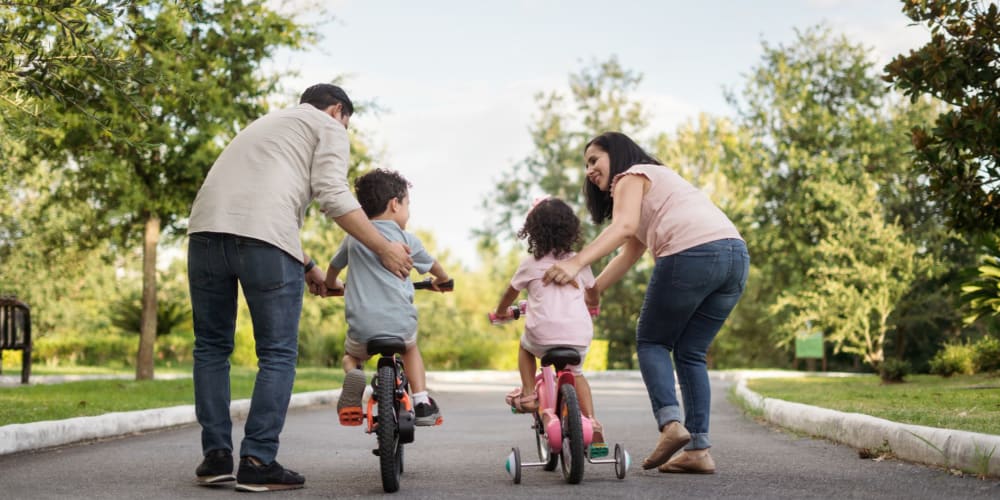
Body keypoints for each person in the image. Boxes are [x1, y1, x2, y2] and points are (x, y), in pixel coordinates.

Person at [187, 84, 413, 492]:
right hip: (264, 242)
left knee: (211, 346)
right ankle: (257, 459)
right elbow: (331, 192)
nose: (344, 127)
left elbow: (258, 204)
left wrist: (307, 264)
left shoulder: (266, 124)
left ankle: (216, 457)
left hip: (204, 234)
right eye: (346, 120)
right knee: (276, 352)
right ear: (337, 110)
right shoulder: (329, 126)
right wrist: (383, 248)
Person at [542, 131, 749, 475]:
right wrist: (594, 289)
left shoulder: (631, 174)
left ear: (618, 153)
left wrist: (575, 264)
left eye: (594, 160)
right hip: (735, 257)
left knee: (652, 340)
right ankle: (698, 450)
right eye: (586, 165)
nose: (589, 170)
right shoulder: (662, 181)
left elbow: (622, 228)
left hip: (691, 253)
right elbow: (631, 249)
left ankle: (671, 424)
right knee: (690, 352)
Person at [324, 168, 450, 427]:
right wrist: (442, 280)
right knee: (410, 348)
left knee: (351, 356)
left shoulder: (354, 238)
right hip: (399, 325)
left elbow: (334, 267)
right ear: (395, 204)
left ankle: (354, 373)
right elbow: (435, 267)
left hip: (362, 328)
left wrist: (331, 285)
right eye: (407, 205)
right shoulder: (407, 240)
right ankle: (422, 402)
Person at [491, 196, 607, 453]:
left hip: (542, 338)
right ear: (571, 230)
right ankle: (593, 423)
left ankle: (530, 394)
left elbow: (510, 294)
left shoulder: (529, 264)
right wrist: (593, 305)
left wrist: (500, 312)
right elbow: (594, 289)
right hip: (578, 336)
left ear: (532, 232)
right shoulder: (579, 262)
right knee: (577, 375)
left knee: (525, 348)